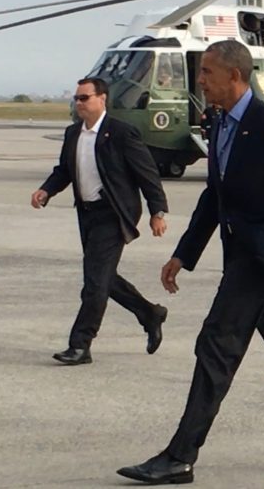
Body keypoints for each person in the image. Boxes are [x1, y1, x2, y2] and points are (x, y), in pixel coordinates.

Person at [117, 41, 264, 485]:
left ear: (235, 75)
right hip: (242, 254)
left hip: (261, 257)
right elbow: (216, 196)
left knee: (216, 345)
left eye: (208, 72)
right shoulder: (221, 125)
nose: (201, 80)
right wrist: (182, 255)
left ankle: (180, 456)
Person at [31, 77, 169, 365]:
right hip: (87, 214)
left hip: (114, 213)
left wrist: (157, 211)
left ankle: (80, 344)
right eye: (77, 98)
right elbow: (64, 171)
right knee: (103, 277)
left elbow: (147, 174)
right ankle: (149, 313)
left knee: (94, 283)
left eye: (85, 98)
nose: (79, 103)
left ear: (102, 99)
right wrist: (46, 190)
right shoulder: (73, 134)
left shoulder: (121, 133)